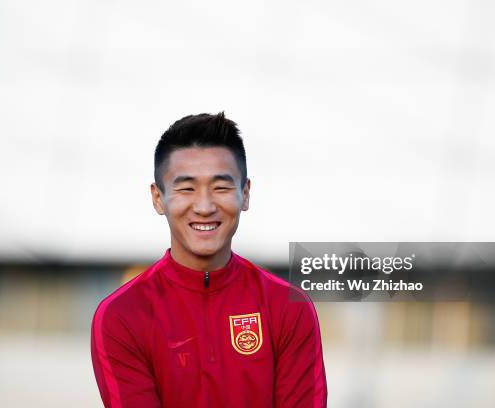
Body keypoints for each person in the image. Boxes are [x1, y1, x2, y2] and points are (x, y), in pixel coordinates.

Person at [91, 112, 327, 407]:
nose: (204, 206)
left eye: (221, 187)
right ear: (158, 198)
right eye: (186, 188)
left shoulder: (287, 306)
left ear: (245, 194)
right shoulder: (122, 315)